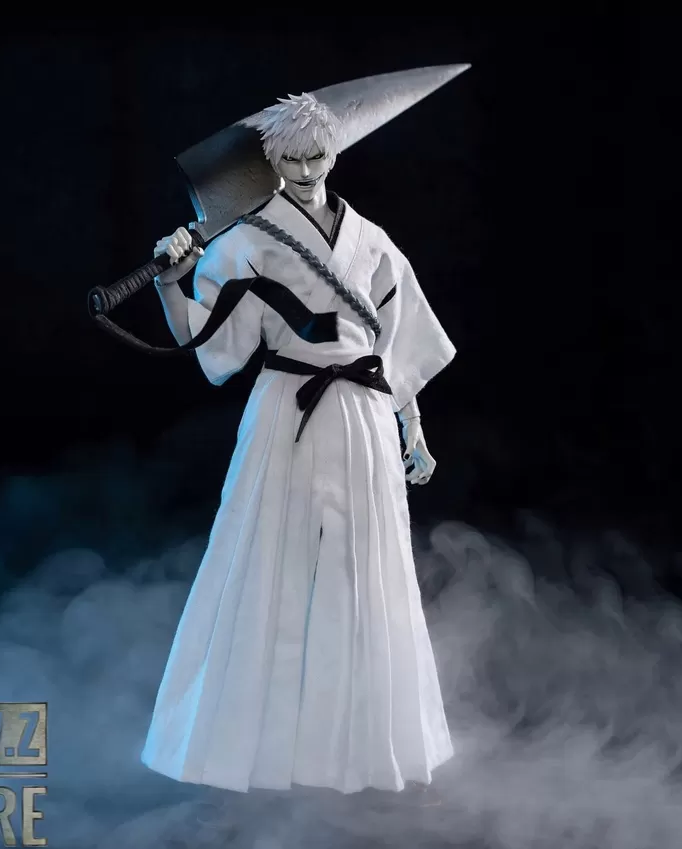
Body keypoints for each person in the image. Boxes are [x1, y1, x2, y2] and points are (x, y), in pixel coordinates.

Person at [141, 92, 457, 794]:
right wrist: (170, 282)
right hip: (287, 407)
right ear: (271, 161)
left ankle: (362, 747)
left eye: (317, 155)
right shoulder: (245, 239)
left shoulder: (370, 239)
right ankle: (244, 746)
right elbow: (210, 345)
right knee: (264, 560)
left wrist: (413, 426)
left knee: (367, 569)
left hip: (365, 413)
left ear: (334, 152)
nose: (307, 171)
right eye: (291, 159)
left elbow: (393, 341)